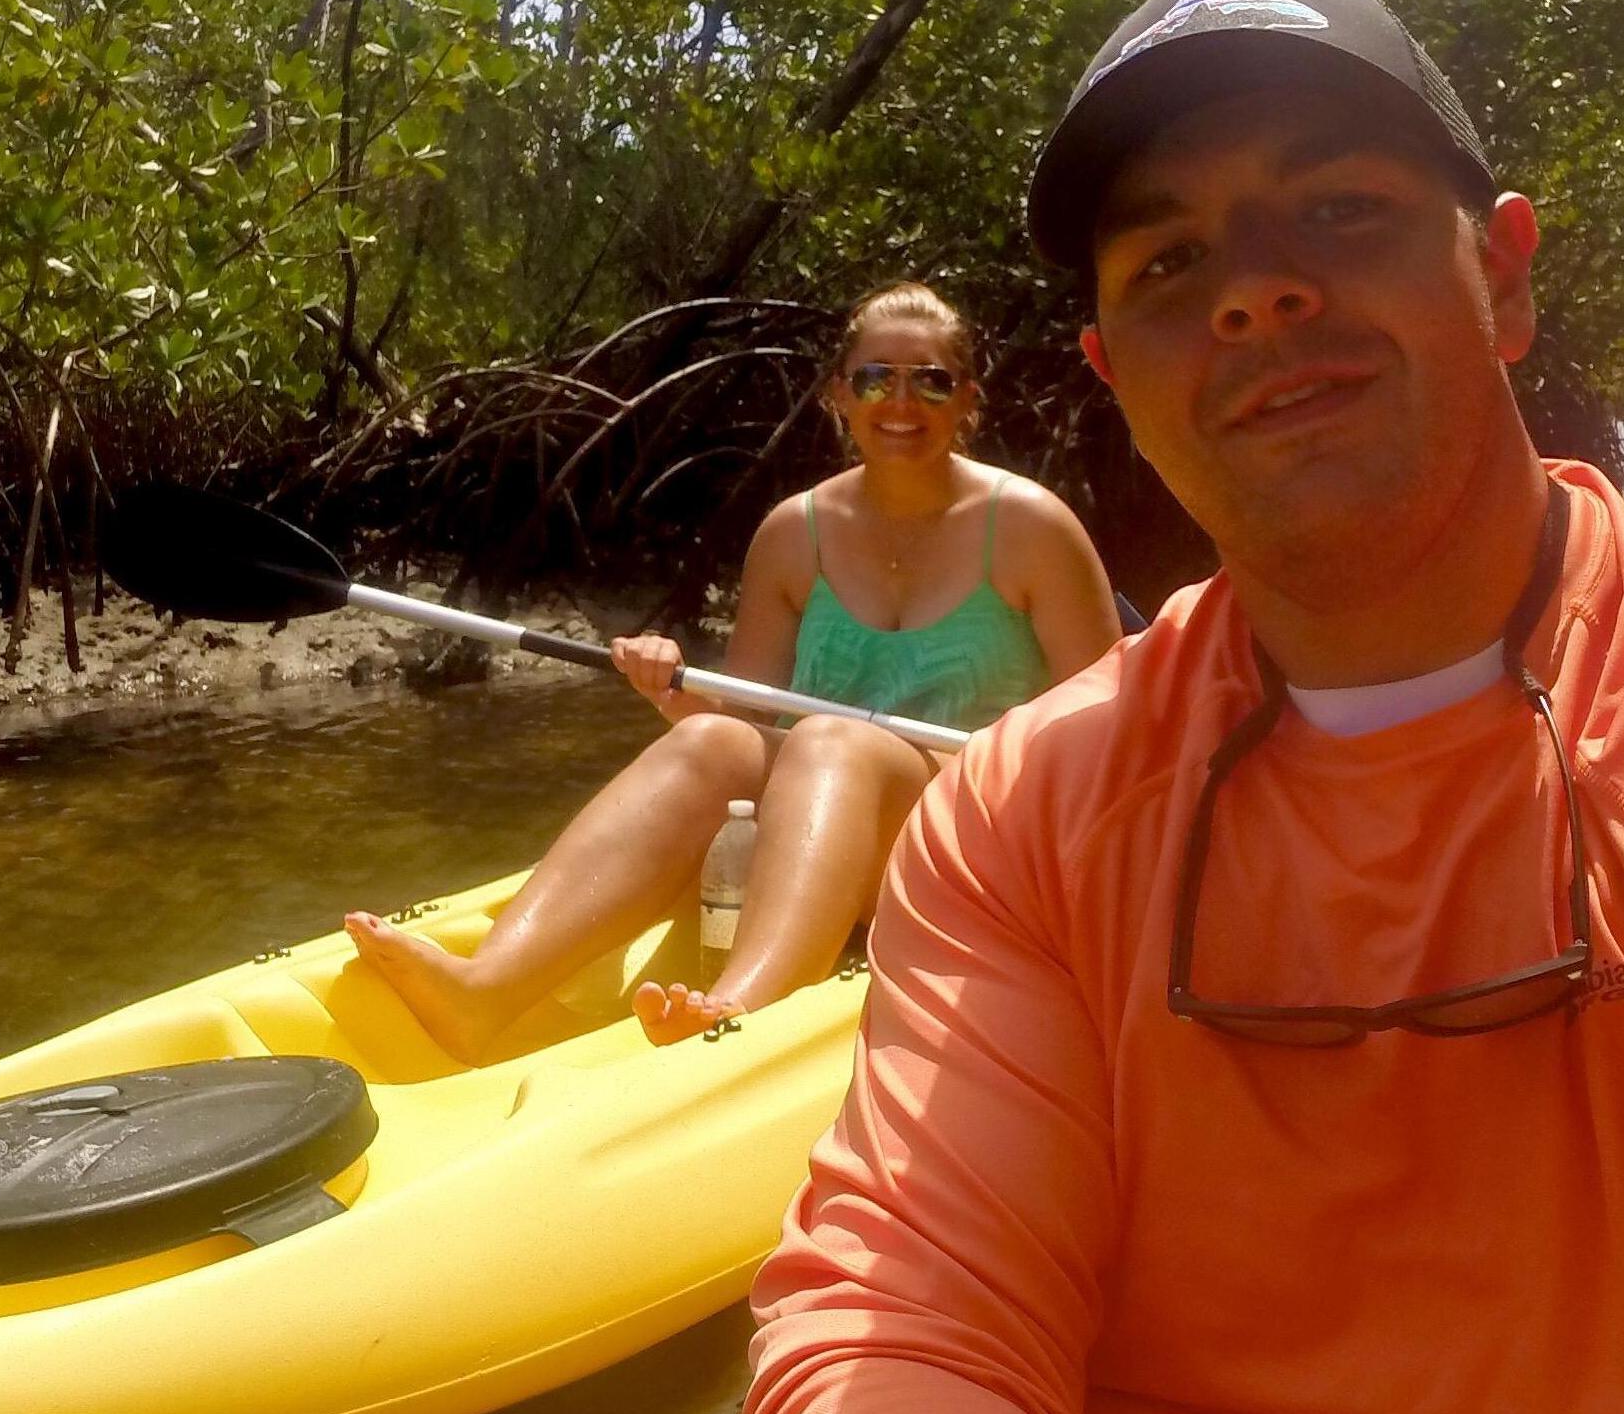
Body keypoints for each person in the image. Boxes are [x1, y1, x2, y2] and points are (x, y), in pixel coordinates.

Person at [742, 0, 1624, 1414]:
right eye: (1168, 261)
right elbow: (905, 1316)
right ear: (1116, 379)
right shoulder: (1017, 818)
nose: (1250, 289)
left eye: (1340, 210)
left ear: (1502, 276)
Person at [345, 281, 1120, 1057]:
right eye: (877, 378)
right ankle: (486, 989)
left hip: (973, 850)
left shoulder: (1032, 529)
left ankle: (741, 1007)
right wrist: (673, 688)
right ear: (839, 396)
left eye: (932, 381)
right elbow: (745, 728)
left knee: (830, 741)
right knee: (712, 747)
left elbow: (1112, 740)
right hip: (823, 824)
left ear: (969, 402)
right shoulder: (793, 534)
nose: (902, 401)